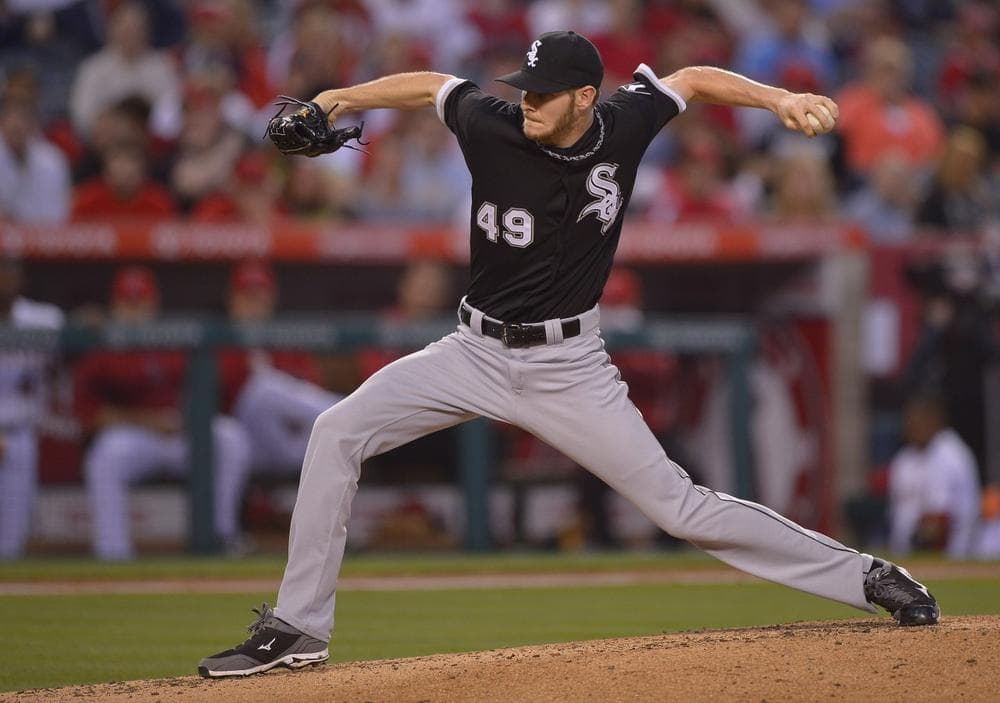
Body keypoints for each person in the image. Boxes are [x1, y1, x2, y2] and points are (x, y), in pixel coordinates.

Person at [199, 30, 940, 679]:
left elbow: (691, 79)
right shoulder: (490, 125)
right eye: (524, 87)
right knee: (337, 431)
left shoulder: (625, 124)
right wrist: (334, 99)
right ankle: (298, 629)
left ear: (586, 97)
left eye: (543, 93)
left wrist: (779, 99)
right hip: (472, 350)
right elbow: (432, 85)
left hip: (569, 366)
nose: (526, 101)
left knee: (679, 506)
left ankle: (867, 577)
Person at [75, 265, 252, 561]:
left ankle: (222, 535)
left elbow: (215, 385)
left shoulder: (173, 339)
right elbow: (91, 416)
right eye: (127, 302)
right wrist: (148, 421)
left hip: (183, 434)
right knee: (104, 456)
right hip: (137, 437)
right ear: (115, 305)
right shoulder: (102, 349)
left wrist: (191, 418)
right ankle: (113, 554)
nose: (135, 311)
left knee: (231, 437)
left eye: (140, 302)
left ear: (153, 303)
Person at [219, 259, 341, 474]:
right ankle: (345, 412)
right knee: (263, 388)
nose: (254, 305)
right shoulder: (219, 344)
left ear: (271, 299)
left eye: (260, 297)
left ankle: (343, 417)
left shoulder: (286, 343)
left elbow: (311, 388)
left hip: (286, 439)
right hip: (242, 443)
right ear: (232, 300)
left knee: (331, 442)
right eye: (247, 297)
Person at [0, 257, 64, 559]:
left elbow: (68, 357)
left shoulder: (44, 318)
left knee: (11, 541)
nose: (4, 280)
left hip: (20, 432)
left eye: (8, 272)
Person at [888, 395, 982, 559]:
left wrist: (916, 547)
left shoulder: (949, 455)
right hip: (907, 553)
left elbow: (938, 522)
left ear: (934, 420)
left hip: (948, 554)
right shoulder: (904, 458)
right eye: (909, 422)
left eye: (917, 422)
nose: (910, 428)